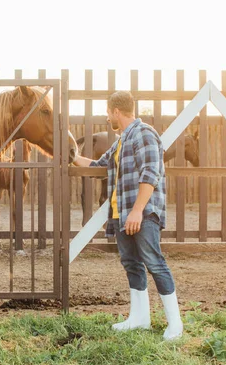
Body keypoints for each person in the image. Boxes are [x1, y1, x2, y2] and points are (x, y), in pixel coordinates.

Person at [73, 91, 183, 340]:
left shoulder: (144, 133)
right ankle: (140, 319)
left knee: (154, 262)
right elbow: (99, 166)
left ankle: (175, 324)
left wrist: (137, 211)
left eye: (107, 112)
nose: (106, 116)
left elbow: (151, 173)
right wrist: (70, 156)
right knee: (132, 264)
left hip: (141, 213)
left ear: (115, 111)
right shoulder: (121, 141)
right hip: (122, 214)